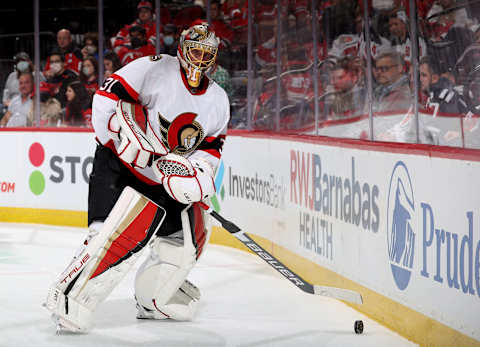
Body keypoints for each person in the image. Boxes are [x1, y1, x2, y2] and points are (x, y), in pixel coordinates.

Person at [45, 24, 229, 332]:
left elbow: (210, 153)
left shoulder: (218, 100)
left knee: (190, 233)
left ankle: (155, 298)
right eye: (195, 51)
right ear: (183, 48)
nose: (200, 60)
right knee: (109, 236)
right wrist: (128, 139)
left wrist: (195, 178)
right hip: (120, 168)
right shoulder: (154, 68)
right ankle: (70, 302)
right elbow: (107, 98)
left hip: (163, 179)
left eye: (206, 55)